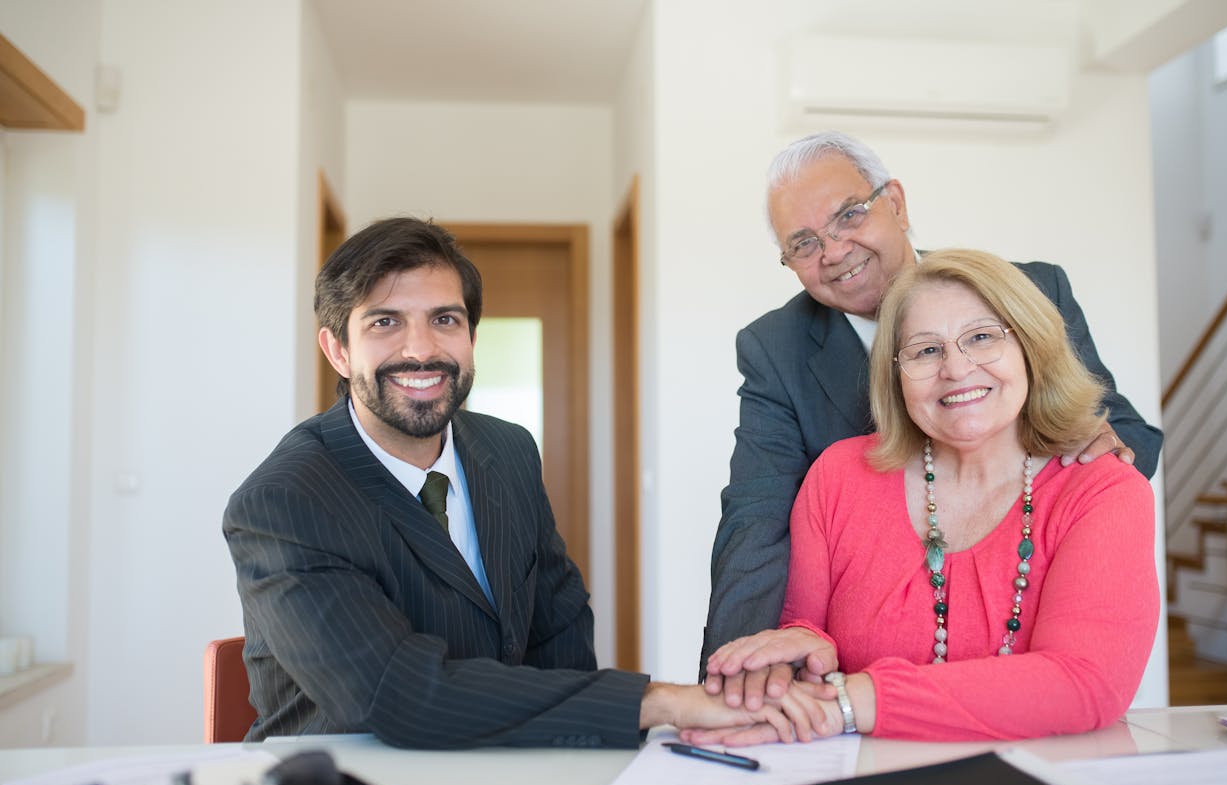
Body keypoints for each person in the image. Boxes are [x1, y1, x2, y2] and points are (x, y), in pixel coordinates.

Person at [224, 217, 821, 749]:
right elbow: (391, 695)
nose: (422, 349)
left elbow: (558, 625)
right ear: (338, 350)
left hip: (505, 774)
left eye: (445, 320)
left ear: (471, 337)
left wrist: (574, 759)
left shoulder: (507, 450)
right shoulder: (284, 500)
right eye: (385, 322)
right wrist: (659, 701)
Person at [701, 131, 1163, 687]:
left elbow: (1122, 429)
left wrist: (1093, 473)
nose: (834, 251)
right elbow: (754, 518)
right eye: (803, 243)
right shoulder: (777, 349)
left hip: (1022, 638)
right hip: (865, 667)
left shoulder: (1026, 289)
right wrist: (734, 679)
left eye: (849, 216)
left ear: (894, 202)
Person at [688, 249, 1160, 743]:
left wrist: (851, 702)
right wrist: (799, 649)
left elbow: (1084, 683)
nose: (956, 369)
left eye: (981, 337)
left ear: (1032, 348)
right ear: (895, 376)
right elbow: (806, 626)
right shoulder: (837, 477)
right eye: (925, 350)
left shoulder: (1102, 490)